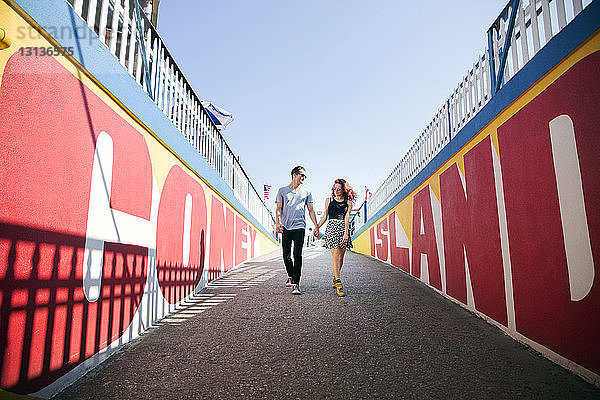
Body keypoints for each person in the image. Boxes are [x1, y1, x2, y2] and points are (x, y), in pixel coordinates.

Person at [275, 166, 319, 295]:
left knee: (297, 254)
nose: (304, 178)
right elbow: (278, 208)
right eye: (302, 175)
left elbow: (311, 210)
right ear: (294, 175)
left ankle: (296, 284)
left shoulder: (307, 192)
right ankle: (290, 274)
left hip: (300, 227)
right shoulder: (282, 191)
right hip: (286, 227)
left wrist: (316, 226)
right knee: (286, 255)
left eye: (305, 176)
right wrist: (277, 223)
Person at [316, 178, 357, 297]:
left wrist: (346, 233)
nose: (336, 190)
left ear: (343, 190)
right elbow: (325, 216)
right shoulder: (328, 200)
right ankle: (339, 283)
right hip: (332, 227)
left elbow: (347, 217)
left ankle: (335, 275)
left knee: (341, 258)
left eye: (338, 188)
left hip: (342, 228)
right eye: (334, 188)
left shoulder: (348, 202)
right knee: (335, 255)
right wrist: (317, 227)